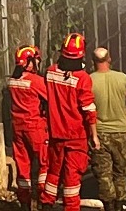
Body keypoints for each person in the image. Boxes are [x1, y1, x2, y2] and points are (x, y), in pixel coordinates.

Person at [40, 33, 99, 211]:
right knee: (72, 177)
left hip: (56, 133)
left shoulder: (50, 73)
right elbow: (88, 108)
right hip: (76, 136)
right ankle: (71, 208)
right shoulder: (83, 78)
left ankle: (46, 203)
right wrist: (94, 136)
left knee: (54, 171)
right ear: (81, 55)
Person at [89, 47, 126, 211]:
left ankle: (108, 206)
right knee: (120, 172)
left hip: (98, 133)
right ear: (109, 59)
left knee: (103, 173)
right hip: (119, 133)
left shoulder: (88, 81)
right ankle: (120, 205)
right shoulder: (122, 79)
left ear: (93, 61)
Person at [7, 45, 48, 210]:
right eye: (36, 59)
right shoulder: (35, 81)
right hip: (35, 126)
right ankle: (43, 198)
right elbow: (50, 97)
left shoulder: (12, 81)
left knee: (22, 164)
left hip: (17, 127)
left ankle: (24, 202)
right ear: (29, 62)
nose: (38, 62)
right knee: (45, 163)